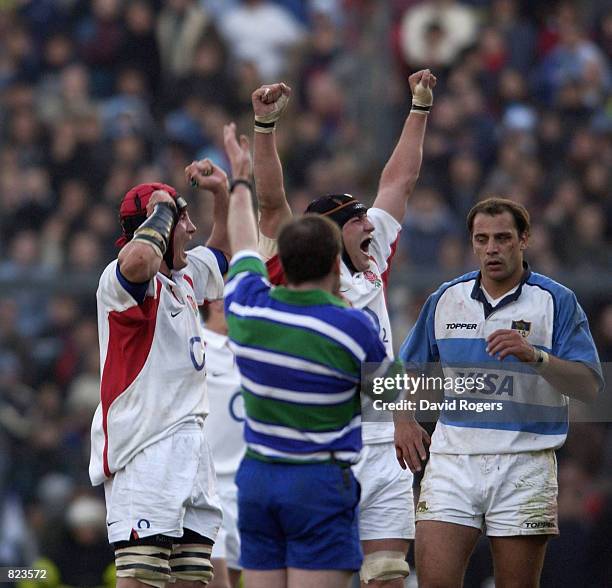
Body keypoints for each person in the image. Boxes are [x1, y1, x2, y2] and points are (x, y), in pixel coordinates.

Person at [248, 70, 436, 587]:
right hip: (322, 443)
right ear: (328, 235)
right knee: (320, 573)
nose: (371, 226)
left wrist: (419, 109)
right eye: (357, 220)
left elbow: (398, 181)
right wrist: (264, 127)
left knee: (388, 573)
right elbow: (270, 203)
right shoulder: (295, 269)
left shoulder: (372, 260)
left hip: (383, 443)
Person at [398, 197, 603, 587]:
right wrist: (402, 419)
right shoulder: (444, 299)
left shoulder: (556, 301)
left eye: (503, 238)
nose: (492, 248)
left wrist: (536, 357)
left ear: (524, 239)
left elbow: (590, 386)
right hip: (452, 460)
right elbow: (404, 371)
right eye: (482, 239)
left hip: (524, 462)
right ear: (472, 243)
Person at [222, 127, 395, 588]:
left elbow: (242, 245)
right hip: (317, 484)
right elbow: (387, 395)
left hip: (257, 480)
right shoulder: (354, 328)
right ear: (331, 265)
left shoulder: (246, 308)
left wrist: (239, 184)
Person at [88, 158, 233, 588]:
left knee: (192, 577)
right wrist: (163, 210)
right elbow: (137, 261)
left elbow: (222, 253)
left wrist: (222, 194)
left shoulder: (185, 276)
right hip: (146, 449)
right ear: (159, 224)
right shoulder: (122, 284)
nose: (191, 229)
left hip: (192, 447)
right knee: (143, 576)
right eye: (182, 219)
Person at [201, 299, 244, 588]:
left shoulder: (262, 345)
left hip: (251, 488)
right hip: (209, 488)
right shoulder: (195, 343)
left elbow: (391, 368)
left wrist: (403, 417)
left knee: (385, 571)